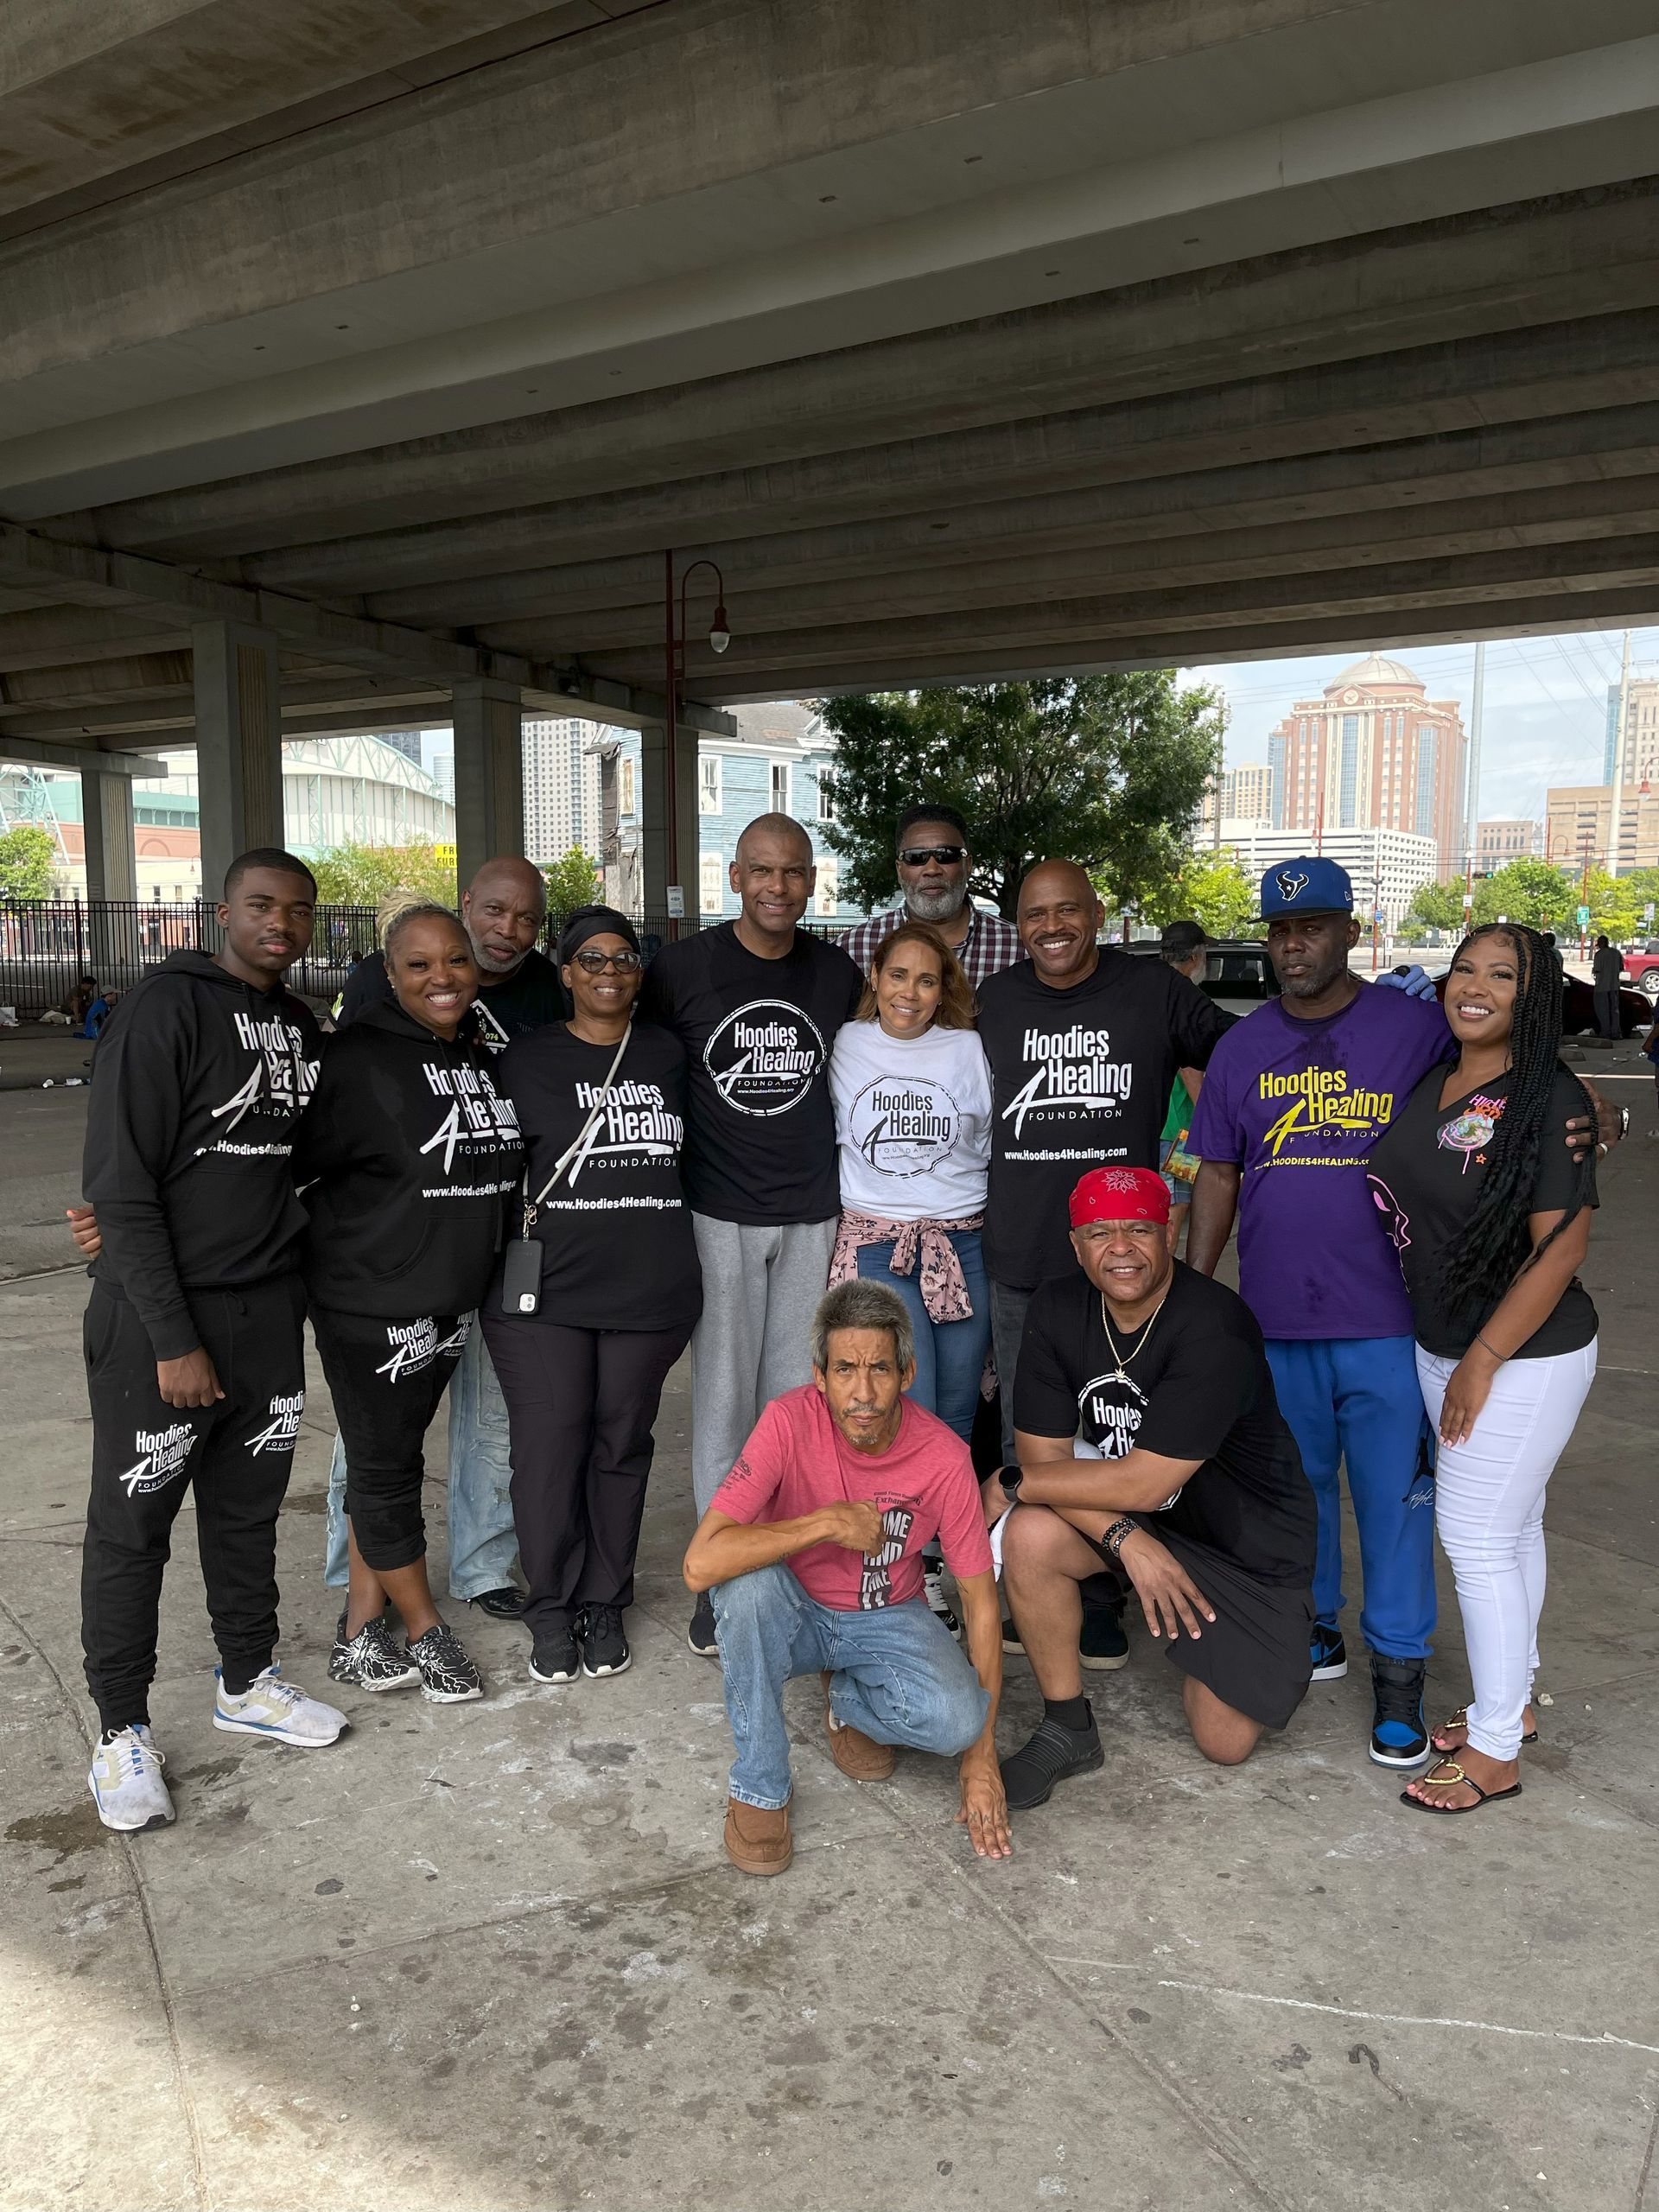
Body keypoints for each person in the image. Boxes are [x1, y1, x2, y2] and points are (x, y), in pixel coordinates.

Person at [1185, 859, 1608, 1768]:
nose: (1296, 944)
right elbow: (1217, 1168)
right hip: (1273, 1318)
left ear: (1350, 933)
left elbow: (1514, 1071)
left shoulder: (1414, 1027)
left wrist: (1589, 1108)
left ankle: (1401, 1674)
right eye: (1281, 930)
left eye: (1316, 926)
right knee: (1294, 1495)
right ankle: (1317, 1629)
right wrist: (1197, 1290)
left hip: (1390, 1321)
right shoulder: (1242, 1047)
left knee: (1399, 1504)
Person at [79, 849, 346, 1834]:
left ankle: (247, 1678)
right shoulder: (165, 1009)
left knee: (246, 1513)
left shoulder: (296, 1027)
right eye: (263, 904)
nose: (282, 922)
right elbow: (122, 1183)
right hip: (163, 1323)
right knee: (132, 1526)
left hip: (264, 1310)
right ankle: (121, 1731)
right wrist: (171, 1335)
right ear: (221, 910)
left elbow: (306, 1162)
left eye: (299, 910)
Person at [993, 1167, 1316, 1809]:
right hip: (1146, 1523)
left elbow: (1139, 1481)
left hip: (1244, 1546)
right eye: (1099, 1232)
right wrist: (1128, 1543)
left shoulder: (1213, 1324)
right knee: (1030, 1534)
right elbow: (1044, 1454)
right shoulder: (1058, 1309)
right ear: (1075, 1243)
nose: (1121, 1247)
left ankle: (1224, 1635)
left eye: (1140, 1227)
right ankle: (1067, 1726)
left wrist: (1008, 1483)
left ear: (1169, 1231)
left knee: (1224, 1741)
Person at [1368, 925, 1599, 1815]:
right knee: (1516, 1525)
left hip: (1522, 1355)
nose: (1476, 985)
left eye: (1503, 975)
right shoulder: (1443, 1073)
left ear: (1533, 999)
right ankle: (1518, 1701)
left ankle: (1497, 1749)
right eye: (1465, 967)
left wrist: (1483, 1362)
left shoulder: (1552, 1098)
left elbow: (1563, 1247)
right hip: (1445, 1342)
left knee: (1474, 1540)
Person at [975, 859, 1229, 1668]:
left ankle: (1103, 1590)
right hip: (1023, 1259)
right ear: (1018, 924)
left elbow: (1246, 1051)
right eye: (1035, 914)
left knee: (1123, 1436)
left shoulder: (1151, 991)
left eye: (1068, 911)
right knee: (1038, 1444)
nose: (1052, 928)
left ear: (1100, 912)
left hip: (1126, 1266)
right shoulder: (994, 1002)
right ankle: (1040, 1578)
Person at [683, 1280, 1007, 1875]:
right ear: (820, 1375)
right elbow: (699, 1565)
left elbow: (982, 1606)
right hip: (797, 1610)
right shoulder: (786, 1421)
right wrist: (823, 1524)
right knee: (745, 1588)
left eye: (880, 1369)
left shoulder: (942, 1456)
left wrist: (979, 1758)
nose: (863, 1393)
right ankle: (760, 1783)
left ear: (907, 1374)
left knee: (958, 1720)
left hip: (890, 1615)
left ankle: (848, 1700)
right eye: (845, 1370)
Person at [641, 813, 864, 1656]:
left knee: (794, 1406)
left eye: (794, 872)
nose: (778, 887)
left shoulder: (834, 973)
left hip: (812, 1213)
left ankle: (782, 1562)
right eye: (762, 871)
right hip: (717, 1211)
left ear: (812, 882)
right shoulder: (683, 968)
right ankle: (720, 1568)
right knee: (726, 1404)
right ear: (734, 877)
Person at [325, 855, 566, 1622]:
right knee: (374, 1434)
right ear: (468, 905)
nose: (510, 931)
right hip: (393, 1259)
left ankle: (483, 1565)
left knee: (492, 1419)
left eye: (528, 918)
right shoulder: (374, 990)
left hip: (495, 1242)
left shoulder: (546, 989)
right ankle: (357, 1573)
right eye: (495, 912)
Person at [298, 905, 524, 1705]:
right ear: (389, 975)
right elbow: (291, 1168)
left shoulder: (472, 1053)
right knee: (389, 1469)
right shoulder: (353, 1059)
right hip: (374, 1303)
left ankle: (362, 1630)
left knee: (381, 1462)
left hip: (448, 1300)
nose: (443, 978)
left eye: (455, 961)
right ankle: (427, 1628)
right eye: (420, 965)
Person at [483, 906, 701, 1686]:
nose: (610, 972)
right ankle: (550, 1606)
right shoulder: (524, 1061)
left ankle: (604, 1598)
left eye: (624, 959)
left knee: (620, 1446)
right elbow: (485, 1172)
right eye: (592, 960)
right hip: (546, 1292)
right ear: (566, 971)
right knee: (550, 1448)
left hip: (650, 1287)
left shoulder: (669, 1055)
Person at [827, 921, 993, 1635]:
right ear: (875, 976)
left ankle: (940, 1556)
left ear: (943, 988)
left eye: (928, 980)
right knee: (900, 1408)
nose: (911, 993)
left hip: (960, 1246)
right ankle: (903, 1573)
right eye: (899, 976)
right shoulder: (846, 1044)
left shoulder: (966, 1049)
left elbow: (983, 1139)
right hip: (878, 1247)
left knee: (956, 1414)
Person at [839, 804, 1025, 989]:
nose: (932, 869)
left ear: (968, 865)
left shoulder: (1021, 948)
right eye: (916, 857)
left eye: (946, 855)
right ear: (899, 869)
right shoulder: (852, 949)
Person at [1155, 921, 1212, 1250]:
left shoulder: (1149, 991)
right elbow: (1190, 1067)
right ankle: (1164, 1285)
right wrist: (1212, 1125)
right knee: (1173, 1209)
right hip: (1178, 1133)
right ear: (1196, 956)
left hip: (1155, 1125)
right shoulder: (1185, 998)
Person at [1592, 934, 1623, 1040]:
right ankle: (1616, 1032)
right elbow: (1621, 967)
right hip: (1614, 986)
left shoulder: (1599, 955)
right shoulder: (1616, 953)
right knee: (1615, 1010)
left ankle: (1605, 1032)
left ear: (1600, 943)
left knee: (1603, 1010)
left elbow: (1597, 970)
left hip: (1601, 987)